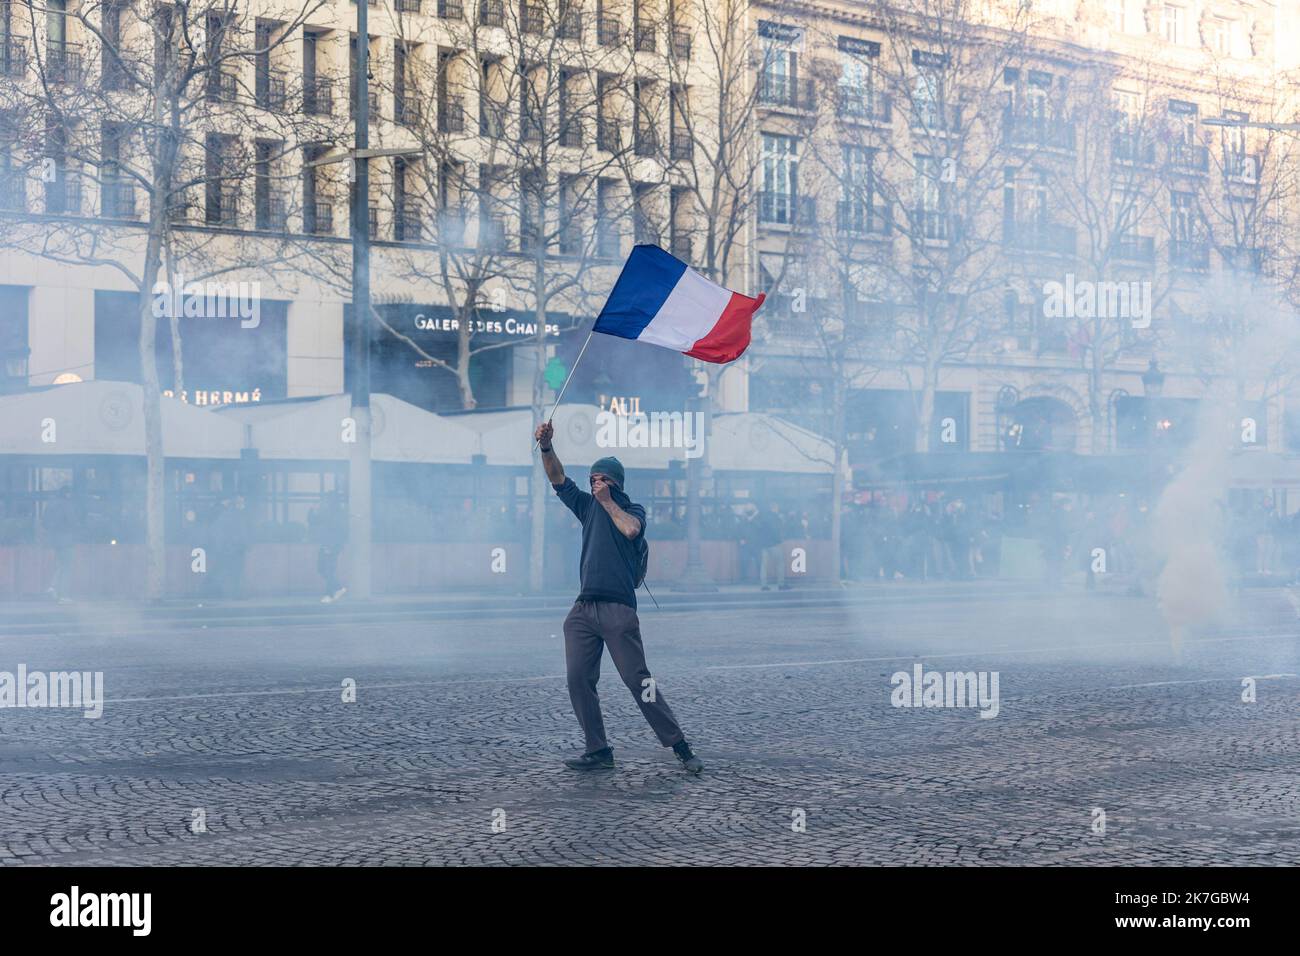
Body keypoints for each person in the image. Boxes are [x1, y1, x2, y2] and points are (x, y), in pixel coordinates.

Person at [535, 419, 703, 774]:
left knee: (637, 680)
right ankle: (598, 750)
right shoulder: (585, 507)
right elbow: (556, 478)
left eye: (602, 479)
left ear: (615, 484)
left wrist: (609, 502)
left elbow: (630, 530)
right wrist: (547, 447)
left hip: (618, 610)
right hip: (584, 608)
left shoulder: (632, 510)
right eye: (593, 478)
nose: (595, 483)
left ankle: (680, 745)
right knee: (579, 679)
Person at [42, 485, 80, 605]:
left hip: (54, 540)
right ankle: (63, 596)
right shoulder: (66, 504)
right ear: (67, 494)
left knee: (61, 565)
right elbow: (72, 522)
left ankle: (53, 588)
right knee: (67, 566)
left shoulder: (50, 504)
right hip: (66, 540)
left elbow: (44, 522)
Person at [309, 491, 349, 604]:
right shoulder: (329, 511)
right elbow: (313, 521)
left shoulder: (335, 513)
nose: (324, 501)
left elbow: (338, 531)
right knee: (322, 569)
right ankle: (337, 588)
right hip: (328, 544)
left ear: (332, 500)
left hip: (331, 545)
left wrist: (331, 546)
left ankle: (330, 594)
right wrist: (313, 510)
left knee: (328, 569)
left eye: (327, 499)